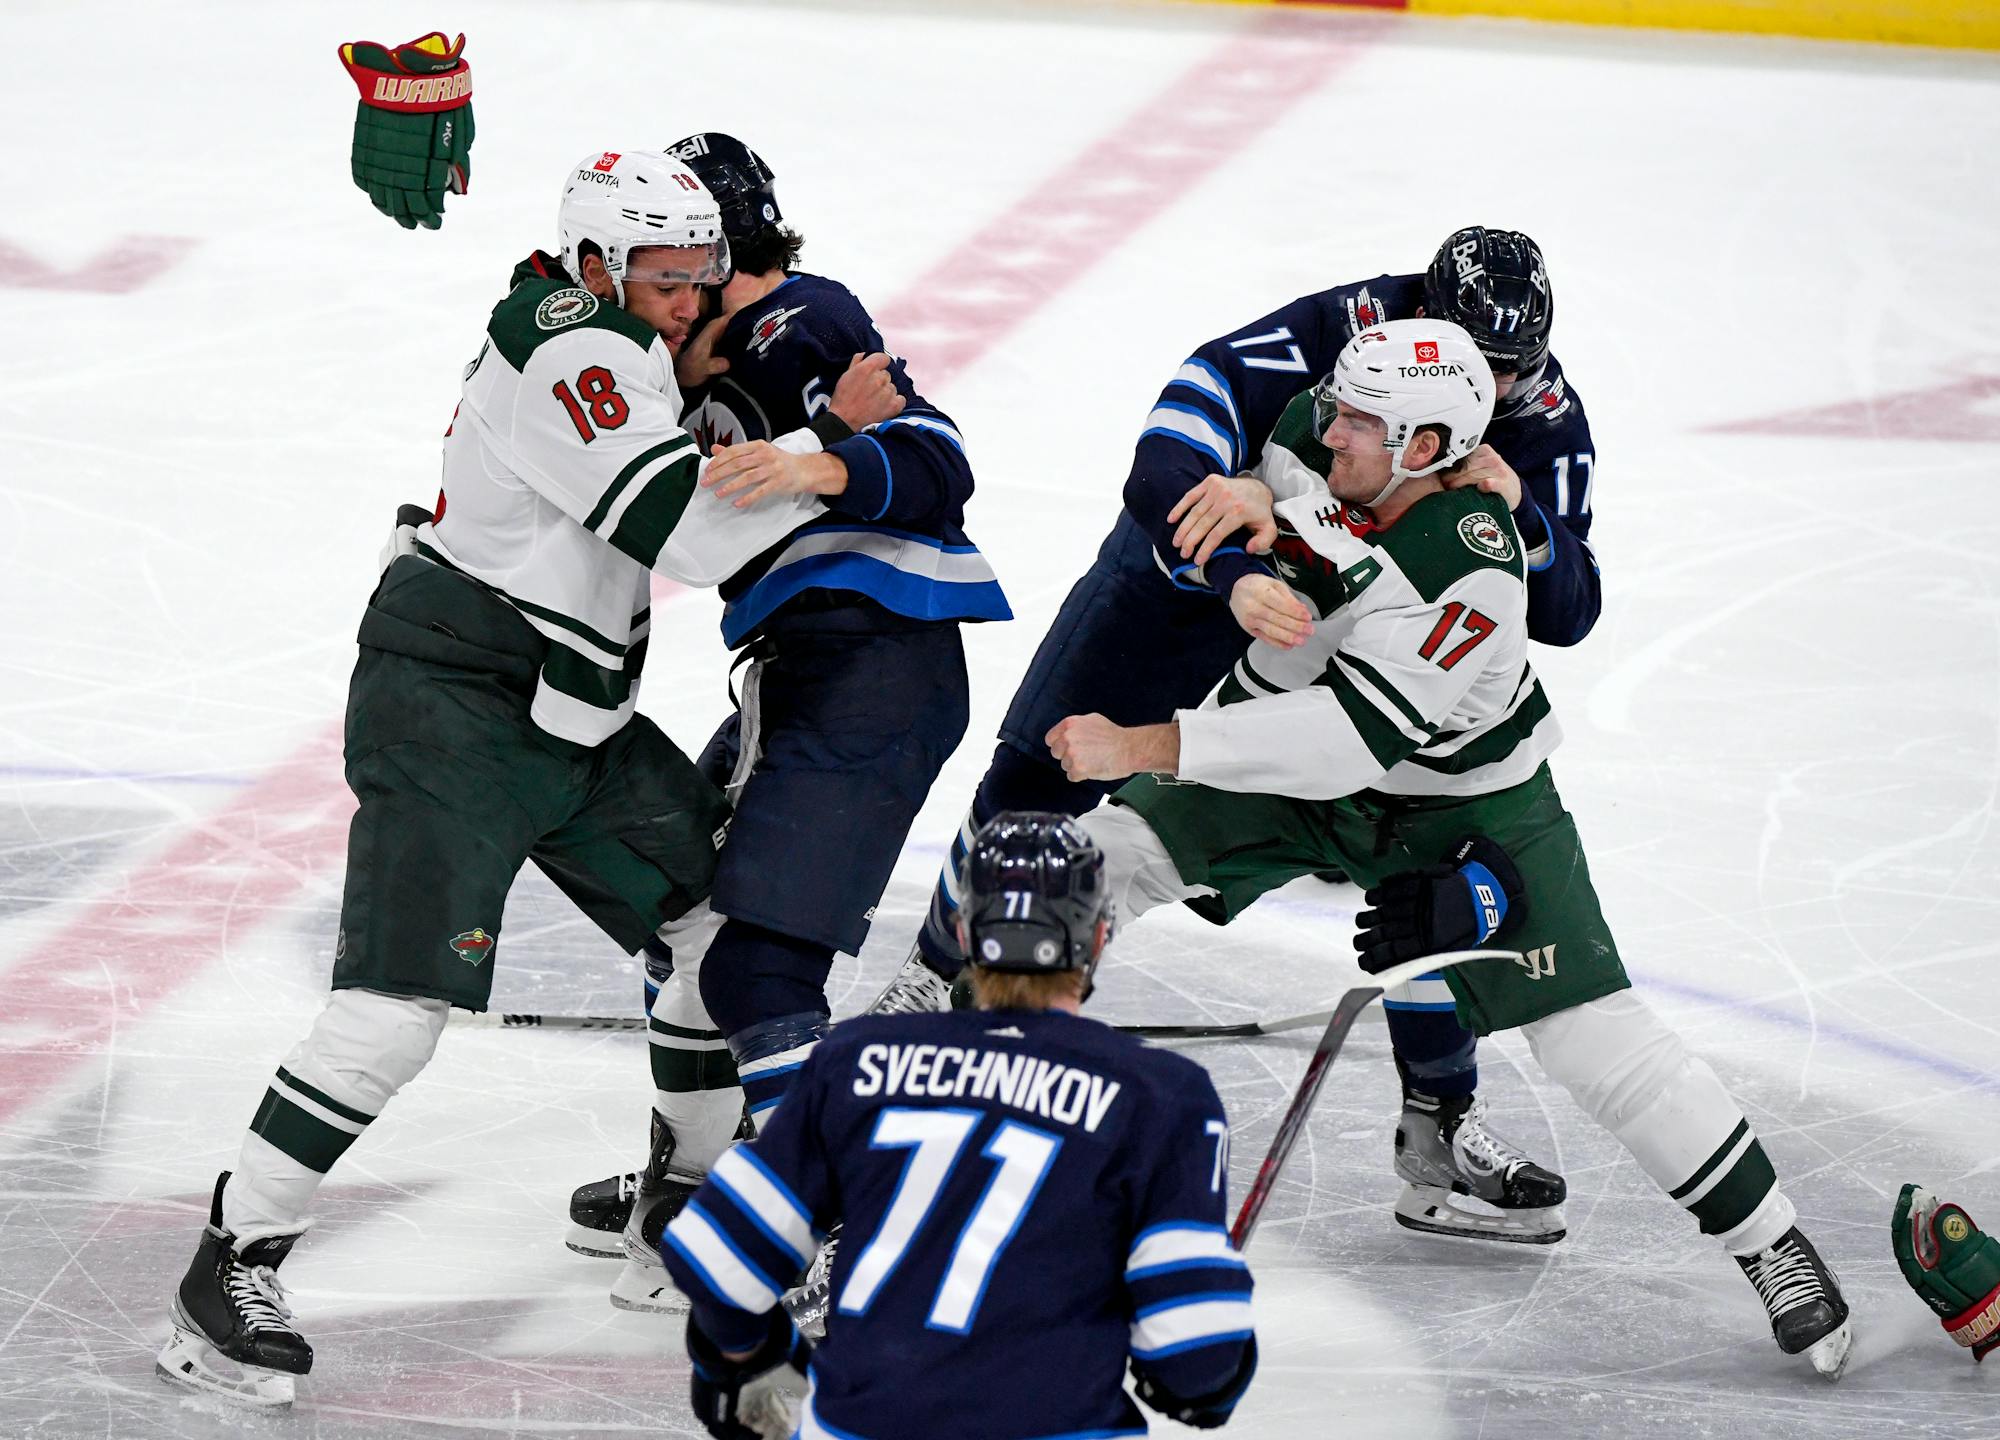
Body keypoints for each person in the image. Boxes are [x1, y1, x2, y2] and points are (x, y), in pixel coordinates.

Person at [154, 148, 852, 1407]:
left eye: (703, 276)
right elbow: (684, 530)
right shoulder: (573, 345)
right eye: (666, 278)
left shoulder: (607, 327)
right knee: (394, 1011)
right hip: (452, 706)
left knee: (715, 930)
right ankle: (228, 1267)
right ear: (595, 264)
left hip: (568, 708)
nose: (692, 303)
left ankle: (676, 1218)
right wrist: (837, 458)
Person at [1046, 319, 1854, 1378]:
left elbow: (1347, 741)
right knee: (1076, 868)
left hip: (1461, 806)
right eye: (1335, 406)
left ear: (1424, 449)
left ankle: (1773, 1245)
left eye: (1358, 422)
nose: (1326, 428)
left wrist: (1145, 741)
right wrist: (1255, 528)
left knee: (1594, 1040)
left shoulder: (1473, 566)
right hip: (1300, 736)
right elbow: (1281, 502)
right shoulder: (1321, 435)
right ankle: (917, 1084)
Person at [872, 228, 1588, 1245]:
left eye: (1518, 368)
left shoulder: (1533, 410)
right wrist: (1234, 569)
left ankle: (1440, 1120)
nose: (1500, 387)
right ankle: (934, 981)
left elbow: (1569, 604)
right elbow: (1170, 448)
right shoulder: (1344, 330)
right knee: (1043, 779)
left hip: (1346, 625)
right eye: (1487, 360)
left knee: (1418, 859)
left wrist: (1530, 526)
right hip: (1190, 587)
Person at [567, 133, 1011, 1311]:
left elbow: (937, 454)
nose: (659, 282)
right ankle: (713, 1175)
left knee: (754, 956)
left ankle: (835, 1217)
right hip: (813, 667)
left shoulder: (800, 321)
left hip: (871, 659)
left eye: (674, 256)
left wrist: (819, 463)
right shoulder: (684, 350)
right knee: (692, 925)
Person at [657, 813, 1257, 1440]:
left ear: (966, 931)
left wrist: (750, 1361)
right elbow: (1196, 1359)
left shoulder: (858, 1062)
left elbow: (717, 1259)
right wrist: (1205, 1378)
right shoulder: (1160, 1096)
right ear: (1099, 932)